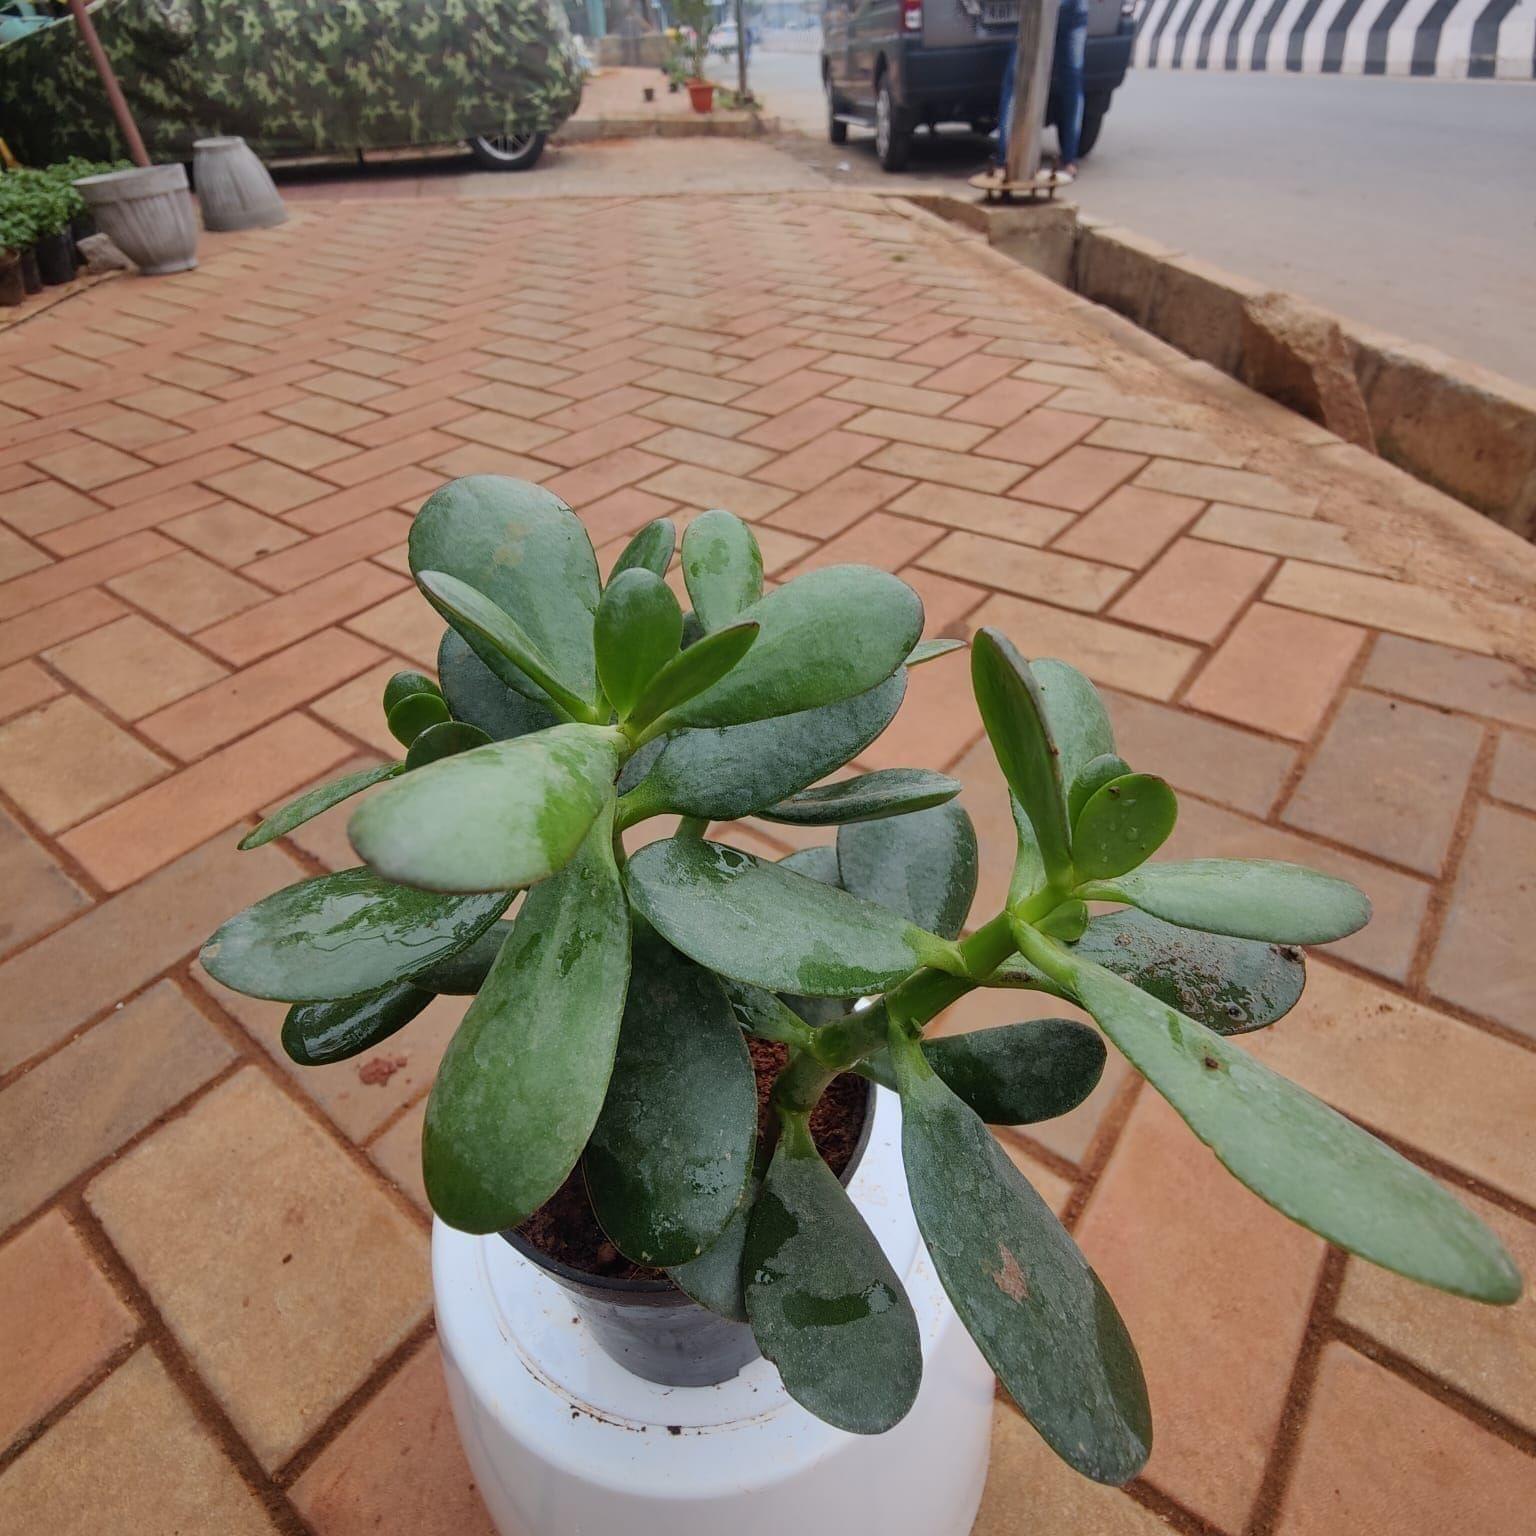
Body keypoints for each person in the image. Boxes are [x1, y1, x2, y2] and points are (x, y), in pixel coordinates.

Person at [988, 0, 1089, 185]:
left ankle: (1005, 161)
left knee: (1016, 82)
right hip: (1075, 6)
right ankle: (1069, 161)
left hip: (1039, 8)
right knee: (1072, 83)